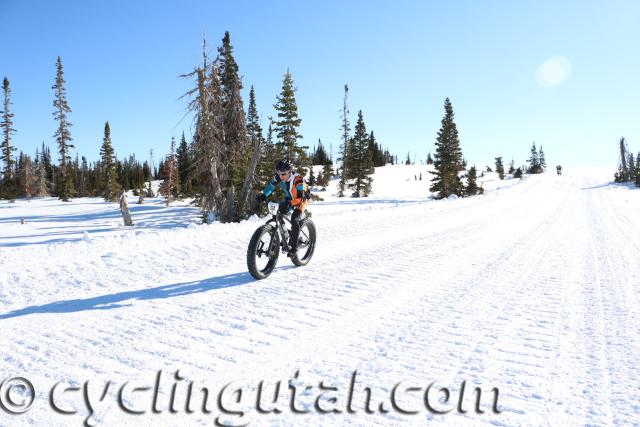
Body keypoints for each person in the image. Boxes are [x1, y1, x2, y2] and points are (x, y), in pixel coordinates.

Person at [256, 159, 308, 254]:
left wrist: (291, 203)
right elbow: (271, 186)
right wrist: (264, 195)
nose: (281, 176)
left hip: (301, 199)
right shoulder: (280, 176)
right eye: (279, 173)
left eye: (283, 174)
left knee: (294, 218)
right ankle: (286, 234)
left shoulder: (298, 180)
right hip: (290, 198)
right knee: (277, 213)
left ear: (289, 172)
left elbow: (301, 198)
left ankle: (294, 247)